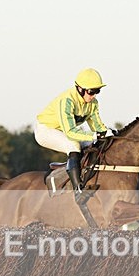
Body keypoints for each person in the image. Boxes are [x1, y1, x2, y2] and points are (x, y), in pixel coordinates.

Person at [35, 68, 113, 197]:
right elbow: (71, 132)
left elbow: (98, 127)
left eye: (97, 91)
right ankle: (78, 190)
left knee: (94, 144)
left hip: (64, 132)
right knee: (74, 146)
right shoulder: (67, 101)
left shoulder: (93, 103)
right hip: (46, 130)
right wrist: (96, 135)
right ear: (80, 89)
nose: (94, 95)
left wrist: (110, 133)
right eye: (91, 91)